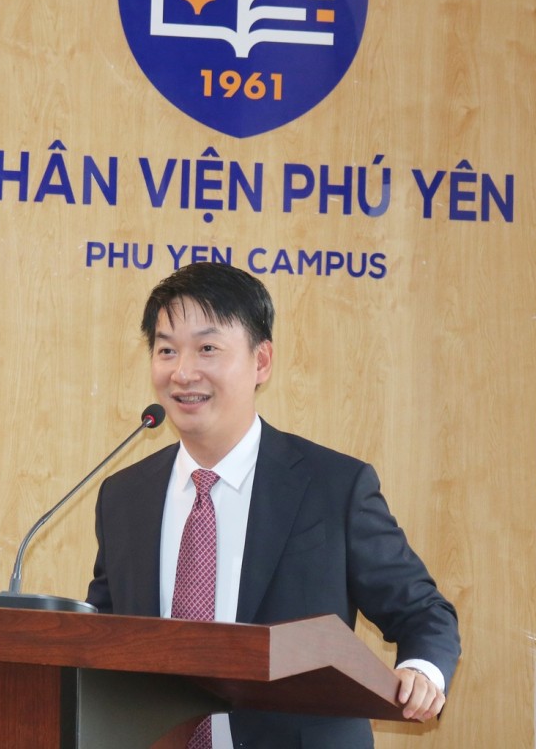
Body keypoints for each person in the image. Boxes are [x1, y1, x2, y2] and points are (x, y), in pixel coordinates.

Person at [86, 262, 460, 749]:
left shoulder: (334, 486)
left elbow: (423, 611)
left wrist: (422, 670)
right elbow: (104, 634)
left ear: (261, 361)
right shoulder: (123, 495)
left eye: (207, 348)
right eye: (166, 350)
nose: (182, 372)